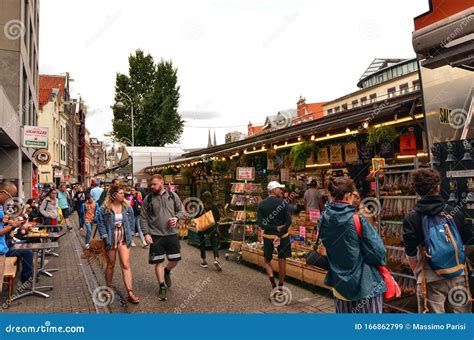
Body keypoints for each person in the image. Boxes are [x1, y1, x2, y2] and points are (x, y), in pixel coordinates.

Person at [403, 168, 472, 313]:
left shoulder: (412, 218)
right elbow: (468, 243)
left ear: (417, 191)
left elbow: (410, 254)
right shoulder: (455, 212)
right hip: (457, 274)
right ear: (438, 187)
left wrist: (419, 273)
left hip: (429, 279)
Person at [318, 177, 386, 313]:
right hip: (366, 285)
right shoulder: (357, 219)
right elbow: (379, 252)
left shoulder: (323, 219)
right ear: (349, 195)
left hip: (339, 285)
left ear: (331, 194)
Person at [140, 174, 185, 301]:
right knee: (158, 262)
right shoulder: (148, 199)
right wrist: (146, 233)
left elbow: (182, 211)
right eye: (151, 185)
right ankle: (161, 286)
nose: (152, 187)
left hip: (172, 234)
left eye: (154, 184)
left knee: (175, 259)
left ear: (162, 182)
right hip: (155, 235)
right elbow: (143, 218)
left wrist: (176, 218)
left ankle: (167, 271)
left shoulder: (172, 195)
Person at [97, 185, 139, 304]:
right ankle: (108, 288)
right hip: (110, 237)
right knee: (111, 264)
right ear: (114, 195)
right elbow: (100, 223)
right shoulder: (104, 208)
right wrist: (104, 236)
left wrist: (130, 232)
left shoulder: (127, 207)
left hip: (124, 237)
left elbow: (131, 222)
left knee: (125, 264)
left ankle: (130, 292)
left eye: (123, 193)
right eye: (120, 193)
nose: (123, 195)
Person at [257, 181, 292, 296]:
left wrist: (273, 227)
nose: (281, 191)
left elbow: (261, 224)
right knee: (282, 260)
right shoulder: (283, 203)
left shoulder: (261, 204)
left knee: (267, 261)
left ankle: (273, 284)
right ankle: (281, 287)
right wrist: (279, 232)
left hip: (268, 236)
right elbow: (288, 222)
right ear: (273, 190)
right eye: (279, 189)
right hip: (283, 236)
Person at [0, 181, 33, 284]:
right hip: (3, 248)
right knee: (28, 251)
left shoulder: (1, 207)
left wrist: (6, 221)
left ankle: (28, 277)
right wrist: (12, 226)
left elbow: (4, 220)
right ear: (2, 192)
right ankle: (26, 279)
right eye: (10, 196)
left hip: (4, 246)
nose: (10, 199)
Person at [197, 191, 222, 271]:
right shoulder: (214, 206)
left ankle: (204, 261)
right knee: (214, 244)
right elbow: (218, 218)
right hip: (212, 227)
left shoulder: (201, 207)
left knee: (202, 243)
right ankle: (216, 259)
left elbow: (197, 217)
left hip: (203, 228)